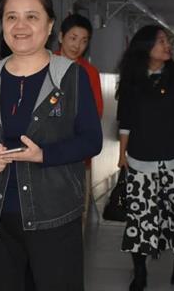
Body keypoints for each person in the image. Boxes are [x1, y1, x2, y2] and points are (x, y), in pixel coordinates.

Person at [0, 0, 102, 291]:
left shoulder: (71, 76)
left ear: (49, 26)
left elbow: (91, 140)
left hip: (54, 214)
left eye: (31, 17)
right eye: (11, 17)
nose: (20, 26)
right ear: (2, 25)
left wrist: (44, 155)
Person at [117, 25, 174, 291]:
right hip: (140, 159)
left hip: (173, 158)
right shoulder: (132, 79)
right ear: (145, 47)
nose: (167, 45)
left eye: (167, 41)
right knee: (140, 218)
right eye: (160, 41)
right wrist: (121, 155)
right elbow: (126, 121)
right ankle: (140, 272)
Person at [56, 13, 104, 227]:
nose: (77, 45)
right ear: (61, 37)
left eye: (84, 41)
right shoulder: (43, 63)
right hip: (44, 154)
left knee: (75, 215)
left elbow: (96, 112)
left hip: (78, 156)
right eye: (73, 38)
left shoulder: (89, 72)